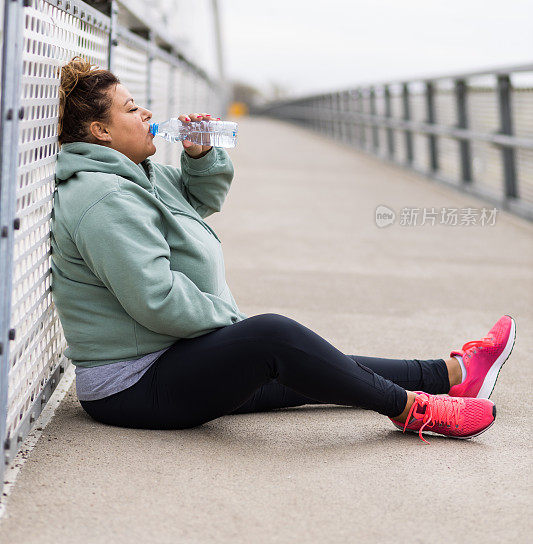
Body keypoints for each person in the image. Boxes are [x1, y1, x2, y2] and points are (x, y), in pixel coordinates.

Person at [50, 55, 516, 445]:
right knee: (273, 335)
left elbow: (200, 199)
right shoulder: (105, 199)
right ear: (100, 132)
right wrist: (237, 328)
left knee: (313, 364)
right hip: (134, 383)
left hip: (173, 356)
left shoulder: (139, 177)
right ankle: (414, 411)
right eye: (132, 110)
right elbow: (158, 300)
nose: (148, 114)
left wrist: (198, 156)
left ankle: (454, 375)